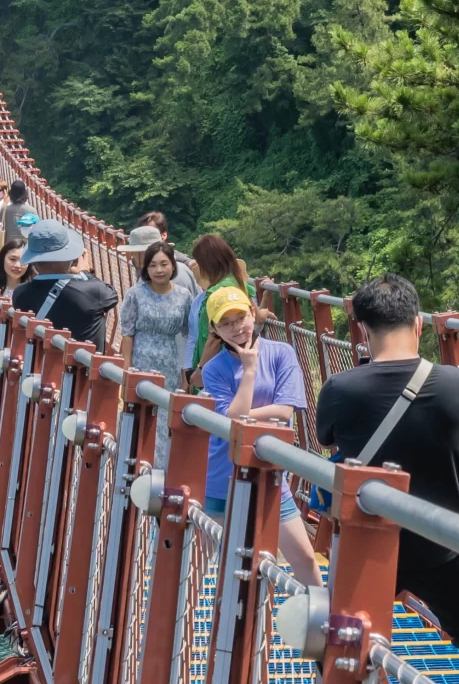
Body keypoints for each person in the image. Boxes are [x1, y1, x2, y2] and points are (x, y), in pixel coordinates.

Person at [316, 275, 459, 684]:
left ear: (361, 329)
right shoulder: (457, 383)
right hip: (444, 542)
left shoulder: (341, 389)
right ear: (418, 324)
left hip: (371, 541)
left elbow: (328, 440)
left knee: (349, 633)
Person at [198, 286, 320, 584]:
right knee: (199, 563)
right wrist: (249, 371)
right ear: (214, 329)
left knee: (303, 558)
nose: (236, 328)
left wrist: (242, 416)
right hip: (222, 472)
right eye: (225, 323)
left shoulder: (281, 353)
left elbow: (284, 412)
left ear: (253, 313)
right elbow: (237, 419)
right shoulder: (213, 369)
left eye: (241, 317)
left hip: (269, 472)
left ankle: (320, 626)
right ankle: (181, 628)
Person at [10, 220, 119, 347]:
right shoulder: (93, 291)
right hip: (81, 365)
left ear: (33, 261)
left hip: (39, 364)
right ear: (70, 257)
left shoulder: (20, 293)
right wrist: (85, 273)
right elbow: (112, 296)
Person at [119, 239, 199, 385]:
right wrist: (127, 366)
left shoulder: (184, 295)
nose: (159, 270)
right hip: (140, 365)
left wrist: (187, 370)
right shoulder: (135, 294)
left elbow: (190, 335)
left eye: (164, 264)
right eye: (153, 265)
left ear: (173, 266)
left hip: (170, 365)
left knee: (167, 405)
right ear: (146, 269)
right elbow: (127, 333)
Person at [186, 233, 254, 373]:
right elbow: (257, 314)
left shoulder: (216, 293)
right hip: (239, 360)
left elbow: (212, 339)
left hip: (217, 366)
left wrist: (199, 371)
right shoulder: (239, 284)